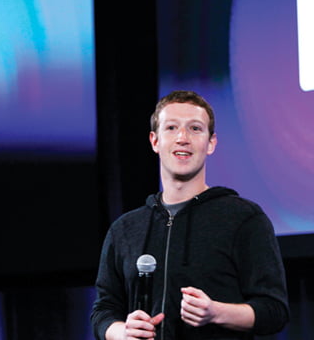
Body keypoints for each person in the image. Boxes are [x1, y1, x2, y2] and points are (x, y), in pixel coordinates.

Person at [91, 90, 289, 340]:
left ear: (211, 143)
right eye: (171, 128)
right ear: (154, 141)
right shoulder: (124, 229)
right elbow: (103, 311)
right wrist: (123, 332)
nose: (182, 138)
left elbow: (274, 311)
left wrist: (216, 312)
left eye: (195, 129)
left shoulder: (244, 219)